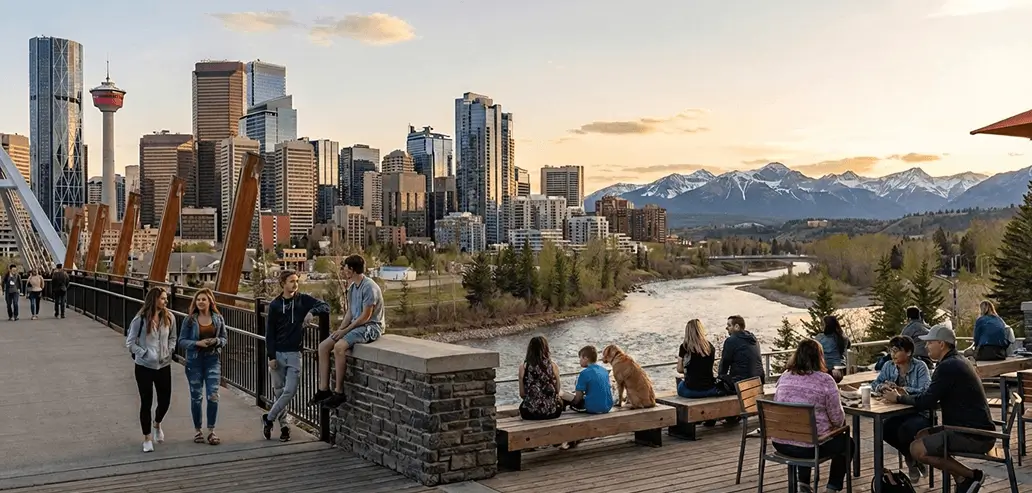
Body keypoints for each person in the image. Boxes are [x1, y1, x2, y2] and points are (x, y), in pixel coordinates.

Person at [882, 322, 995, 493]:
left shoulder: (947, 367)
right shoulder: (957, 361)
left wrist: (898, 398)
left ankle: (972, 475)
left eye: (929, 342)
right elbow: (931, 396)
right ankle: (960, 479)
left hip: (974, 435)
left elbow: (927, 401)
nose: (926, 346)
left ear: (941, 344)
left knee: (916, 448)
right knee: (921, 435)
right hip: (969, 428)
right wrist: (906, 395)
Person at [772, 339, 853, 493]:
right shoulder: (825, 381)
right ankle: (832, 488)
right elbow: (838, 419)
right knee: (847, 443)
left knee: (804, 435)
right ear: (819, 357)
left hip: (781, 443)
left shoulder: (785, 376)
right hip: (808, 448)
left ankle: (803, 483)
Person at [309, 255, 385, 409]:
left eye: (344, 268)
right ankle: (324, 390)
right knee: (323, 346)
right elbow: (350, 313)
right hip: (355, 325)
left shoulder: (369, 287)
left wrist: (345, 332)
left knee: (339, 347)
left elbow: (366, 316)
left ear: (351, 269)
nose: (343, 270)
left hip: (370, 326)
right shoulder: (352, 288)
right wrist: (340, 330)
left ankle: (339, 392)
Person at [262, 269, 329, 442]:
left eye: (296, 281)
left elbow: (325, 306)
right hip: (277, 353)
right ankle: (284, 426)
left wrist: (311, 312)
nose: (295, 284)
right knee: (279, 392)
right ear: (283, 283)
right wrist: (271, 357)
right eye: (291, 281)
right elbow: (269, 334)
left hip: (294, 354)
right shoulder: (275, 305)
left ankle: (268, 418)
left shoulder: (303, 300)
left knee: (290, 391)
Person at [871, 335, 931, 482]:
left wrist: (903, 390)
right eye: (891, 351)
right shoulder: (889, 366)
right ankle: (911, 458)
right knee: (884, 429)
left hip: (918, 412)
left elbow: (926, 389)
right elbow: (875, 383)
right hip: (896, 413)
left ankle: (913, 460)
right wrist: (882, 387)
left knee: (905, 431)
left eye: (897, 351)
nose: (893, 354)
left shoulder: (920, 367)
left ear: (909, 352)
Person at [125, 287, 177, 453]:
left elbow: (173, 338)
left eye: (166, 298)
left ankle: (157, 423)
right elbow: (130, 343)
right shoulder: (139, 320)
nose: (165, 301)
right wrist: (145, 353)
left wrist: (169, 350)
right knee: (146, 402)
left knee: (165, 401)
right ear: (154, 299)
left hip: (163, 365)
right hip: (144, 367)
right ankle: (147, 437)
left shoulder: (169, 317)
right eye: (162, 298)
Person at [178, 288, 228, 446]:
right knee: (196, 397)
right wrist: (196, 343)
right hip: (194, 361)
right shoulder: (190, 320)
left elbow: (224, 338)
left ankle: (211, 431)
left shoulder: (218, 319)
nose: (200, 302)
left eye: (204, 299)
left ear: (210, 302)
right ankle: (198, 430)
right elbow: (182, 341)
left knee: (213, 395)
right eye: (198, 299)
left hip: (212, 359)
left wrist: (216, 341)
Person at [517, 335, 564, 420]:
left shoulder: (524, 367)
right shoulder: (553, 366)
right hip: (552, 412)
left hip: (531, 413)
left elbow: (522, 394)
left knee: (523, 407)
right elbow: (557, 390)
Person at [875, 306, 932, 371]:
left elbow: (899, 343)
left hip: (916, 357)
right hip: (928, 358)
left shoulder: (910, 328)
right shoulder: (927, 327)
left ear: (908, 318)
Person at [561, 345, 614, 414]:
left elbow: (578, 398)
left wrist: (571, 403)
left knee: (563, 394)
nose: (579, 361)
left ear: (585, 358)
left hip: (593, 408)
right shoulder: (604, 370)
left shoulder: (584, 373)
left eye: (580, 359)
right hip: (608, 406)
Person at [675, 319, 720, 398]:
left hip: (692, 391)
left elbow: (679, 369)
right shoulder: (710, 347)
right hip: (709, 388)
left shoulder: (684, 347)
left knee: (680, 385)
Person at [718, 315, 765, 383]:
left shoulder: (731, 341)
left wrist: (720, 377)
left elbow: (725, 363)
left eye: (729, 325)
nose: (726, 328)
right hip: (758, 381)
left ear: (737, 327)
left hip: (741, 383)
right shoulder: (753, 339)